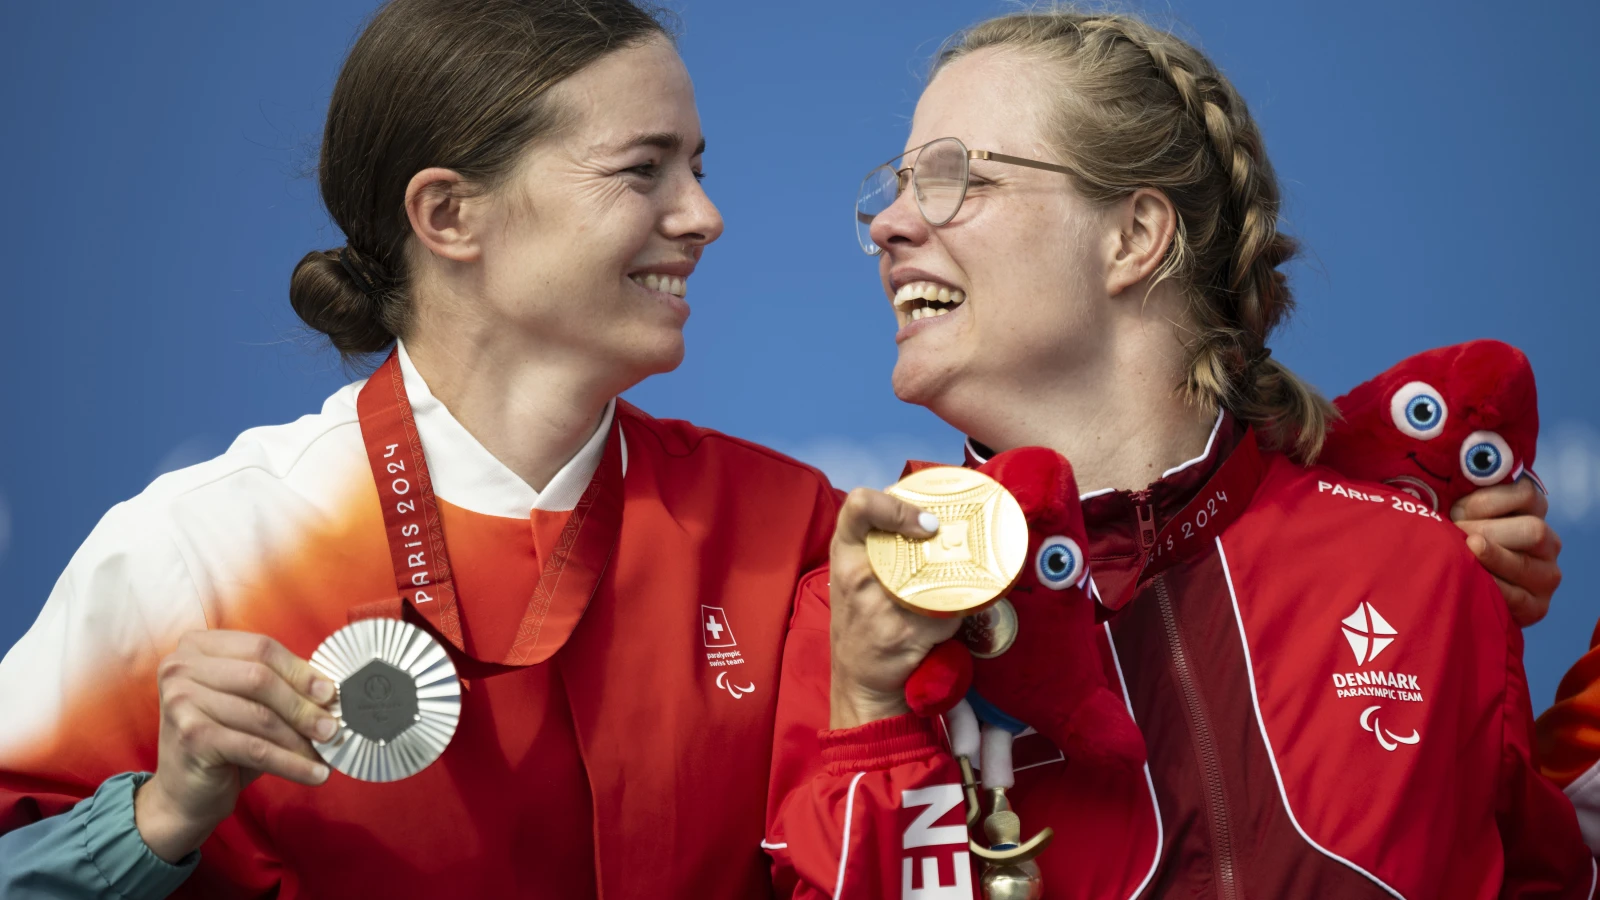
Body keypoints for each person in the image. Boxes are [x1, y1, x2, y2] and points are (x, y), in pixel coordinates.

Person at [0, 2, 843, 898]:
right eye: (644, 171)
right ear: (447, 215)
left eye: (699, 168)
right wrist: (159, 816)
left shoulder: (787, 527)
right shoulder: (201, 549)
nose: (704, 216)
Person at [763, 8, 1593, 897]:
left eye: (952, 177)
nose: (889, 223)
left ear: (1133, 236)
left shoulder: (1423, 568)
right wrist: (872, 727)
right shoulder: (869, 620)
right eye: (894, 187)